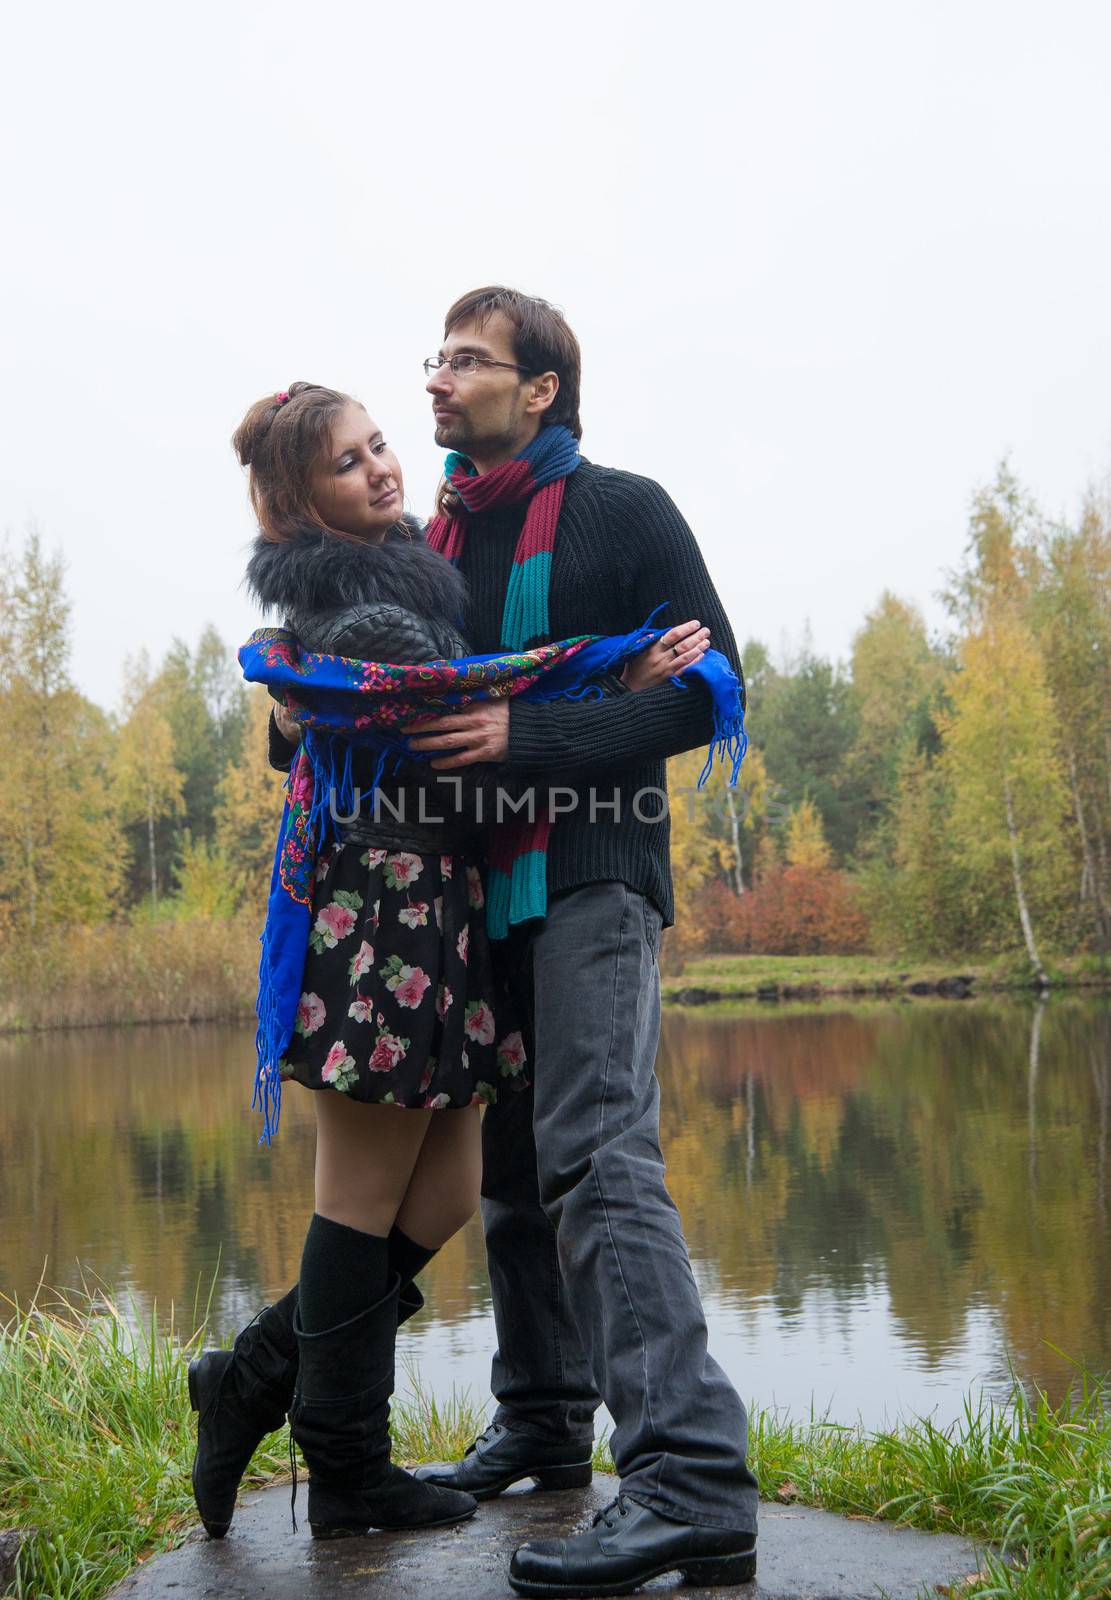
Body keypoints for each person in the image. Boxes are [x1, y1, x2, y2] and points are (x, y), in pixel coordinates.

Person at [189, 381, 709, 1546]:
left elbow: (477, 694)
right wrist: (607, 686)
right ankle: (347, 1470)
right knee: (363, 1199)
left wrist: (569, 692)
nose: (379, 467)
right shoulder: (360, 609)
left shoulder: (407, 568)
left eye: (378, 445)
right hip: (384, 908)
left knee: (439, 1191)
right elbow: (452, 734)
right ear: (296, 503)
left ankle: (257, 1373)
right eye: (345, 462)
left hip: (441, 909)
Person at [409, 288, 761, 1597]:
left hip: (594, 869)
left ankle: (686, 1479)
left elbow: (710, 684)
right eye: (433, 357)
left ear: (538, 387)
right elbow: (406, 695)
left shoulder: (624, 510)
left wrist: (532, 734)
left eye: (466, 360)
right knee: (510, 1166)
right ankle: (544, 1418)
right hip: (472, 884)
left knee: (594, 1149)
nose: (436, 380)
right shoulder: (429, 542)